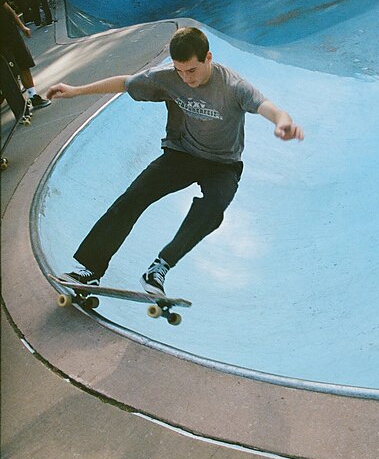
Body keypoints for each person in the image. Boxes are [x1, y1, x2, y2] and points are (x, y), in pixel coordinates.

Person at [46, 27, 304, 296]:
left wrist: (283, 122)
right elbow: (126, 83)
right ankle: (90, 270)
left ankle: (160, 267)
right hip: (182, 154)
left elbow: (266, 106)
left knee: (213, 211)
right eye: (180, 71)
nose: (186, 78)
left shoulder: (233, 86)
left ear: (208, 58)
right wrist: (76, 91)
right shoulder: (169, 78)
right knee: (133, 197)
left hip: (223, 165)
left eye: (191, 70)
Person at [0, 0, 51, 110]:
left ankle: (33, 97)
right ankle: (20, 105)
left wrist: (22, 27)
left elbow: (7, 8)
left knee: (24, 64)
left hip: (12, 35)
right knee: (10, 73)